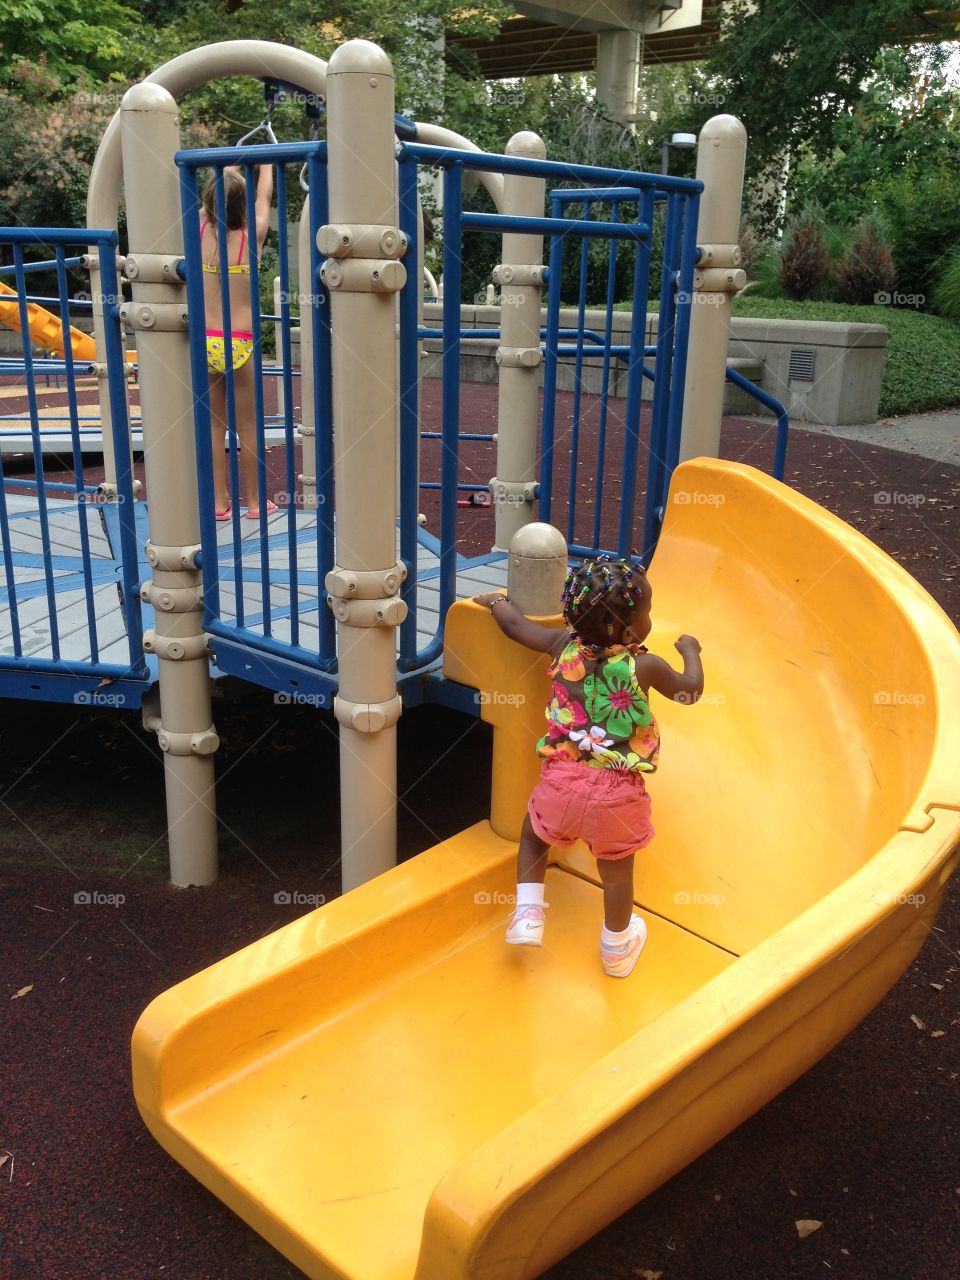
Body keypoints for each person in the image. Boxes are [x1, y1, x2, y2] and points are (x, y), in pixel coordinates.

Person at [474, 556, 703, 978]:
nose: (649, 618)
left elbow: (517, 628)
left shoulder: (563, 646)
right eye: (646, 611)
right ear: (623, 629)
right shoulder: (644, 666)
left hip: (560, 781)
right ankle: (616, 947)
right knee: (616, 873)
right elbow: (689, 693)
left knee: (535, 834)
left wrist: (496, 603)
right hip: (617, 794)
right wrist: (690, 651)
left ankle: (528, 914)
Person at [200, 164, 276, 520]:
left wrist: (225, 167)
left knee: (215, 425)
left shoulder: (197, 231)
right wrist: (266, 165)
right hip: (240, 341)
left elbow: (209, 201)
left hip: (205, 340)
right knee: (248, 427)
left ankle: (218, 502)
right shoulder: (252, 235)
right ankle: (256, 502)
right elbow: (263, 197)